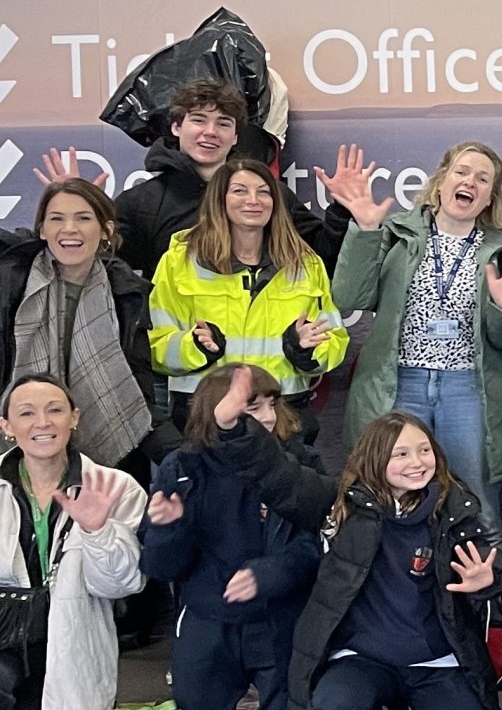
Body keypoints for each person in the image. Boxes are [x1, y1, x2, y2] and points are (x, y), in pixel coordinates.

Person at [202, 369, 502, 710]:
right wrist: (232, 428)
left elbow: (495, 563)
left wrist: (487, 580)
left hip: (435, 661)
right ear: (375, 460)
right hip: (365, 657)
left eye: (423, 451)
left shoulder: (453, 509)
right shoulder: (341, 506)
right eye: (400, 454)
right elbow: (279, 478)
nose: (415, 462)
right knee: (331, 706)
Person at [323, 142, 502, 520]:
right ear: (441, 181)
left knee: (478, 503)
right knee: (389, 494)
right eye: (462, 171)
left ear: (489, 198)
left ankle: (489, 577)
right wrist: (366, 230)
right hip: (399, 382)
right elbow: (348, 295)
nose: (469, 181)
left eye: (482, 178)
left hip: (468, 389)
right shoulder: (395, 234)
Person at [140, 364, 320, 710]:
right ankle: (232, 706)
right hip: (210, 617)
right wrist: (169, 528)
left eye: (272, 404)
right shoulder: (182, 469)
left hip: (278, 616)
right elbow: (159, 566)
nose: (270, 417)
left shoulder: (300, 461)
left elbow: (318, 547)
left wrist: (269, 574)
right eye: (253, 408)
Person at [0, 375, 146, 710]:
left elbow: (123, 584)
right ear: (6, 425)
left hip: (66, 647)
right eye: (25, 413)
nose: (41, 423)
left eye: (55, 410)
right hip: (5, 637)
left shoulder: (115, 487)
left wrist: (98, 530)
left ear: (74, 418)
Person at [0, 176, 173, 478]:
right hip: (15, 455)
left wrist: (184, 458)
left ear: (105, 230)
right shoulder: (13, 281)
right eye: (56, 219)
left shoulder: (127, 294)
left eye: (83, 218)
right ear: (41, 229)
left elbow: (136, 390)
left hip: (109, 464)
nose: (69, 229)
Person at [88, 77, 341, 283]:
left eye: (223, 123)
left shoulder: (268, 196)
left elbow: (323, 258)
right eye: (198, 119)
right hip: (181, 341)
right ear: (176, 127)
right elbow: (94, 267)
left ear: (235, 137)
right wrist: (80, 210)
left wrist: (342, 209)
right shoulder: (143, 202)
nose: (210, 132)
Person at [148, 159, 347, 410]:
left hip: (281, 410)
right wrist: (195, 346)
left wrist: (305, 349)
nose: (253, 200)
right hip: (205, 410)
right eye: (240, 190)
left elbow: (335, 343)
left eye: (263, 192)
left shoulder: (305, 263)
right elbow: (155, 345)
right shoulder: (180, 261)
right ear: (219, 199)